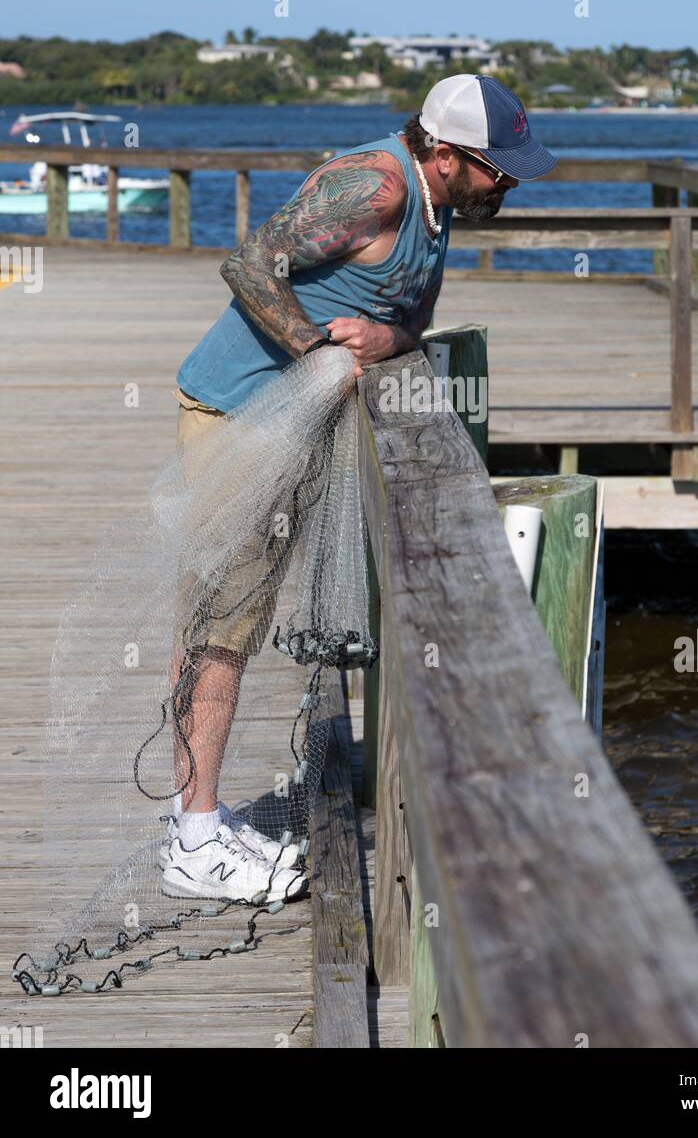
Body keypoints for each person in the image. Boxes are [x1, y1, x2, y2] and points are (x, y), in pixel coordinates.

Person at [159, 73, 557, 902]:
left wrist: (385, 336)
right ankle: (191, 839)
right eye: (498, 167)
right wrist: (316, 349)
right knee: (222, 621)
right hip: (239, 416)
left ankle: (196, 812)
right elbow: (251, 262)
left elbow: (405, 321)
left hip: (289, 423)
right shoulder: (373, 187)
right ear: (444, 153)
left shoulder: (440, 206)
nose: (507, 183)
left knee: (234, 612)